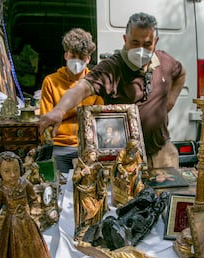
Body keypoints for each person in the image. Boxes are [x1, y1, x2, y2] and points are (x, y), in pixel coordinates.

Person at [39, 12, 186, 170]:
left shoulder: (165, 61)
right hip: (124, 160)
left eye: (147, 44)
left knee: (168, 194)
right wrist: (59, 110)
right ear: (125, 40)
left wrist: (169, 103)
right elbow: (82, 88)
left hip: (162, 153)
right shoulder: (110, 68)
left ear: (155, 42)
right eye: (135, 42)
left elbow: (181, 73)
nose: (141, 49)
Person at [38, 28, 104, 173]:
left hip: (88, 148)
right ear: (66, 55)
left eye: (82, 57)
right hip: (58, 147)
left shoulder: (96, 83)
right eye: (74, 56)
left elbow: (100, 119)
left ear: (88, 59)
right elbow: (46, 122)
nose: (77, 61)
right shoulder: (50, 82)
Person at [72, 148, 108, 239]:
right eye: (92, 154)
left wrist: (103, 177)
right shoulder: (81, 166)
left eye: (95, 155)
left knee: (96, 211)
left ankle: (92, 230)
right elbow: (74, 179)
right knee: (90, 210)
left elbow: (102, 180)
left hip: (95, 192)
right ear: (87, 156)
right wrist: (82, 173)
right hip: (84, 192)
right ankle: (83, 230)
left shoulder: (98, 166)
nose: (94, 156)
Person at [111, 139, 146, 206]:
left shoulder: (136, 153)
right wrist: (124, 171)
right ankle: (126, 198)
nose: (137, 149)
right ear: (131, 147)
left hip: (134, 173)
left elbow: (140, 163)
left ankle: (137, 197)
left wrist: (137, 168)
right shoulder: (123, 152)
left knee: (138, 184)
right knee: (125, 183)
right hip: (124, 172)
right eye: (136, 147)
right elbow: (118, 164)